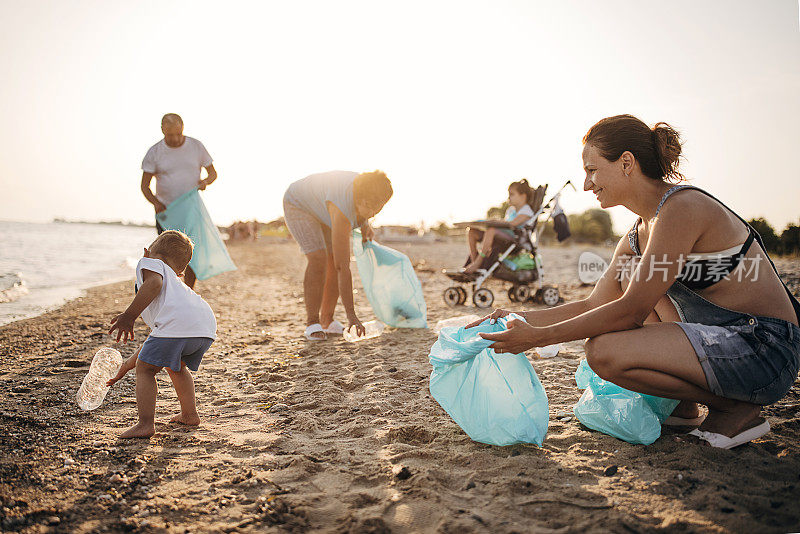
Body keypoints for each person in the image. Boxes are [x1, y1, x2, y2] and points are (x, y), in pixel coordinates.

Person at [473, 114, 800, 449]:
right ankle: (684, 407)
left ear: (626, 163)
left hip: (765, 348)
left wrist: (538, 338)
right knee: (631, 279)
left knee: (604, 352)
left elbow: (629, 312)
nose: (586, 185)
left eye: (592, 170)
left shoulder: (682, 208)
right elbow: (594, 304)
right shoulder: (637, 233)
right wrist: (513, 318)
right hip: (724, 340)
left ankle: (734, 409)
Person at [106, 230, 217, 438]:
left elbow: (153, 284)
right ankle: (189, 414)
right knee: (176, 366)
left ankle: (145, 424)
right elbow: (157, 339)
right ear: (181, 272)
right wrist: (125, 367)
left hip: (179, 327)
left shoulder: (150, 263)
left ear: (147, 252)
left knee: (145, 370)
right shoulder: (176, 289)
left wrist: (129, 316)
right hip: (204, 327)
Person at [283, 170, 393, 340]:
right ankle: (312, 322)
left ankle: (327, 319)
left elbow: (362, 211)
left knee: (332, 259)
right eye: (372, 209)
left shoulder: (367, 188)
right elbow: (343, 267)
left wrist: (364, 223)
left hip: (322, 208)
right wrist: (351, 315)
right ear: (362, 200)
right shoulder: (341, 208)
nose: (373, 214)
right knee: (319, 258)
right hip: (298, 204)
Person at [141, 113, 217, 289]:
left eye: (178, 133)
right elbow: (145, 186)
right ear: (162, 130)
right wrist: (156, 203)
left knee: (190, 254)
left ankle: (188, 291)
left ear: (183, 128)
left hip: (191, 209)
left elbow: (213, 173)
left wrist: (205, 181)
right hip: (166, 211)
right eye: (169, 135)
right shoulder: (154, 152)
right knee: (164, 254)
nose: (174, 139)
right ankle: (169, 290)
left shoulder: (196, 146)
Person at [464, 179, 537, 274]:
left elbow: (512, 224)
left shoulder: (526, 211)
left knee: (491, 230)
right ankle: (474, 261)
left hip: (515, 240)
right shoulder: (511, 210)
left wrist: (494, 222)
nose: (509, 197)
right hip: (503, 237)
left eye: (512, 194)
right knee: (472, 231)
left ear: (523, 196)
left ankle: (478, 262)